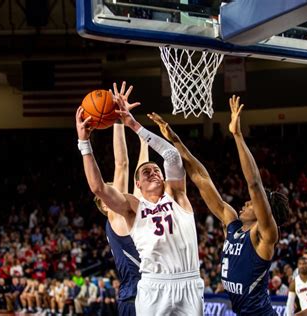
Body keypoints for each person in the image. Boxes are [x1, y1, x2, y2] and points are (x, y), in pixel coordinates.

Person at [148, 95, 289, 315]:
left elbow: (254, 183)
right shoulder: (231, 222)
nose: (245, 202)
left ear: (264, 210)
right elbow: (201, 178)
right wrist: (176, 140)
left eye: (251, 204)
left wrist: (237, 135)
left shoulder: (264, 234)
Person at [76, 82, 204, 315]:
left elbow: (172, 156)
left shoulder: (177, 196)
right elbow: (99, 187)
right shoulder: (133, 207)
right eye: (146, 172)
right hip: (153, 286)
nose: (153, 171)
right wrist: (84, 143)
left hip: (189, 283)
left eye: (157, 170)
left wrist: (132, 124)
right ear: (138, 185)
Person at [93, 82, 146, 315]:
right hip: (135, 297)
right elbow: (122, 165)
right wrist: (116, 120)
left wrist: (144, 139)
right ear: (106, 204)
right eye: (111, 189)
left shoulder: (129, 214)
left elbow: (140, 175)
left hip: (150, 292)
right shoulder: (116, 215)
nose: (116, 189)